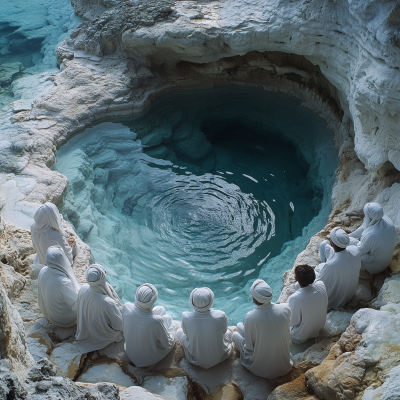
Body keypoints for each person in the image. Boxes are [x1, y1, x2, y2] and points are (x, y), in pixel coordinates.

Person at [232, 279, 292, 379]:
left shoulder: (250, 317)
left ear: (255, 298)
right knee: (240, 326)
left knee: (234, 334)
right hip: (285, 365)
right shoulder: (285, 308)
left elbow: (249, 347)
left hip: (262, 369)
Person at [176, 287, 232, 369]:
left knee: (179, 332)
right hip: (219, 357)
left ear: (192, 301)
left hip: (195, 359)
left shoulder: (186, 316)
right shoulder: (220, 315)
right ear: (211, 301)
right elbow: (224, 331)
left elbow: (185, 333)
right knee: (229, 332)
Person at [122, 283, 176, 367]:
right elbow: (168, 343)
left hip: (129, 352)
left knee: (161, 309)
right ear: (153, 300)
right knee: (167, 317)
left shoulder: (126, 307)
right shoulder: (156, 321)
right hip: (148, 360)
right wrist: (171, 330)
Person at [74, 264, 124, 353]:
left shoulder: (83, 288)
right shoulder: (107, 302)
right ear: (102, 279)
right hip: (102, 336)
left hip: (85, 330)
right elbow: (119, 325)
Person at [315, 227, 361, 310]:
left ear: (333, 244)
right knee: (324, 244)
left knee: (317, 271)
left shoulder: (331, 266)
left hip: (337, 301)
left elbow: (318, 283)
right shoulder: (355, 250)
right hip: (349, 291)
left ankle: (322, 265)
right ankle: (323, 265)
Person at [38, 245, 81, 327]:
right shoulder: (63, 282)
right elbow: (77, 306)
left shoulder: (43, 270)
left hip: (48, 313)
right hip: (62, 319)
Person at [349, 202, 396, 275]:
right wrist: (350, 234)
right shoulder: (386, 220)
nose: (365, 217)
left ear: (369, 217)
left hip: (375, 267)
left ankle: (362, 270)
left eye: (366, 214)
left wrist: (347, 238)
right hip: (386, 261)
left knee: (351, 244)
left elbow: (358, 252)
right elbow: (364, 226)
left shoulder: (371, 236)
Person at [288, 265, 328, 344]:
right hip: (319, 326)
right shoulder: (321, 284)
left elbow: (293, 322)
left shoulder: (294, 298)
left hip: (301, 336)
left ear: (296, 279)